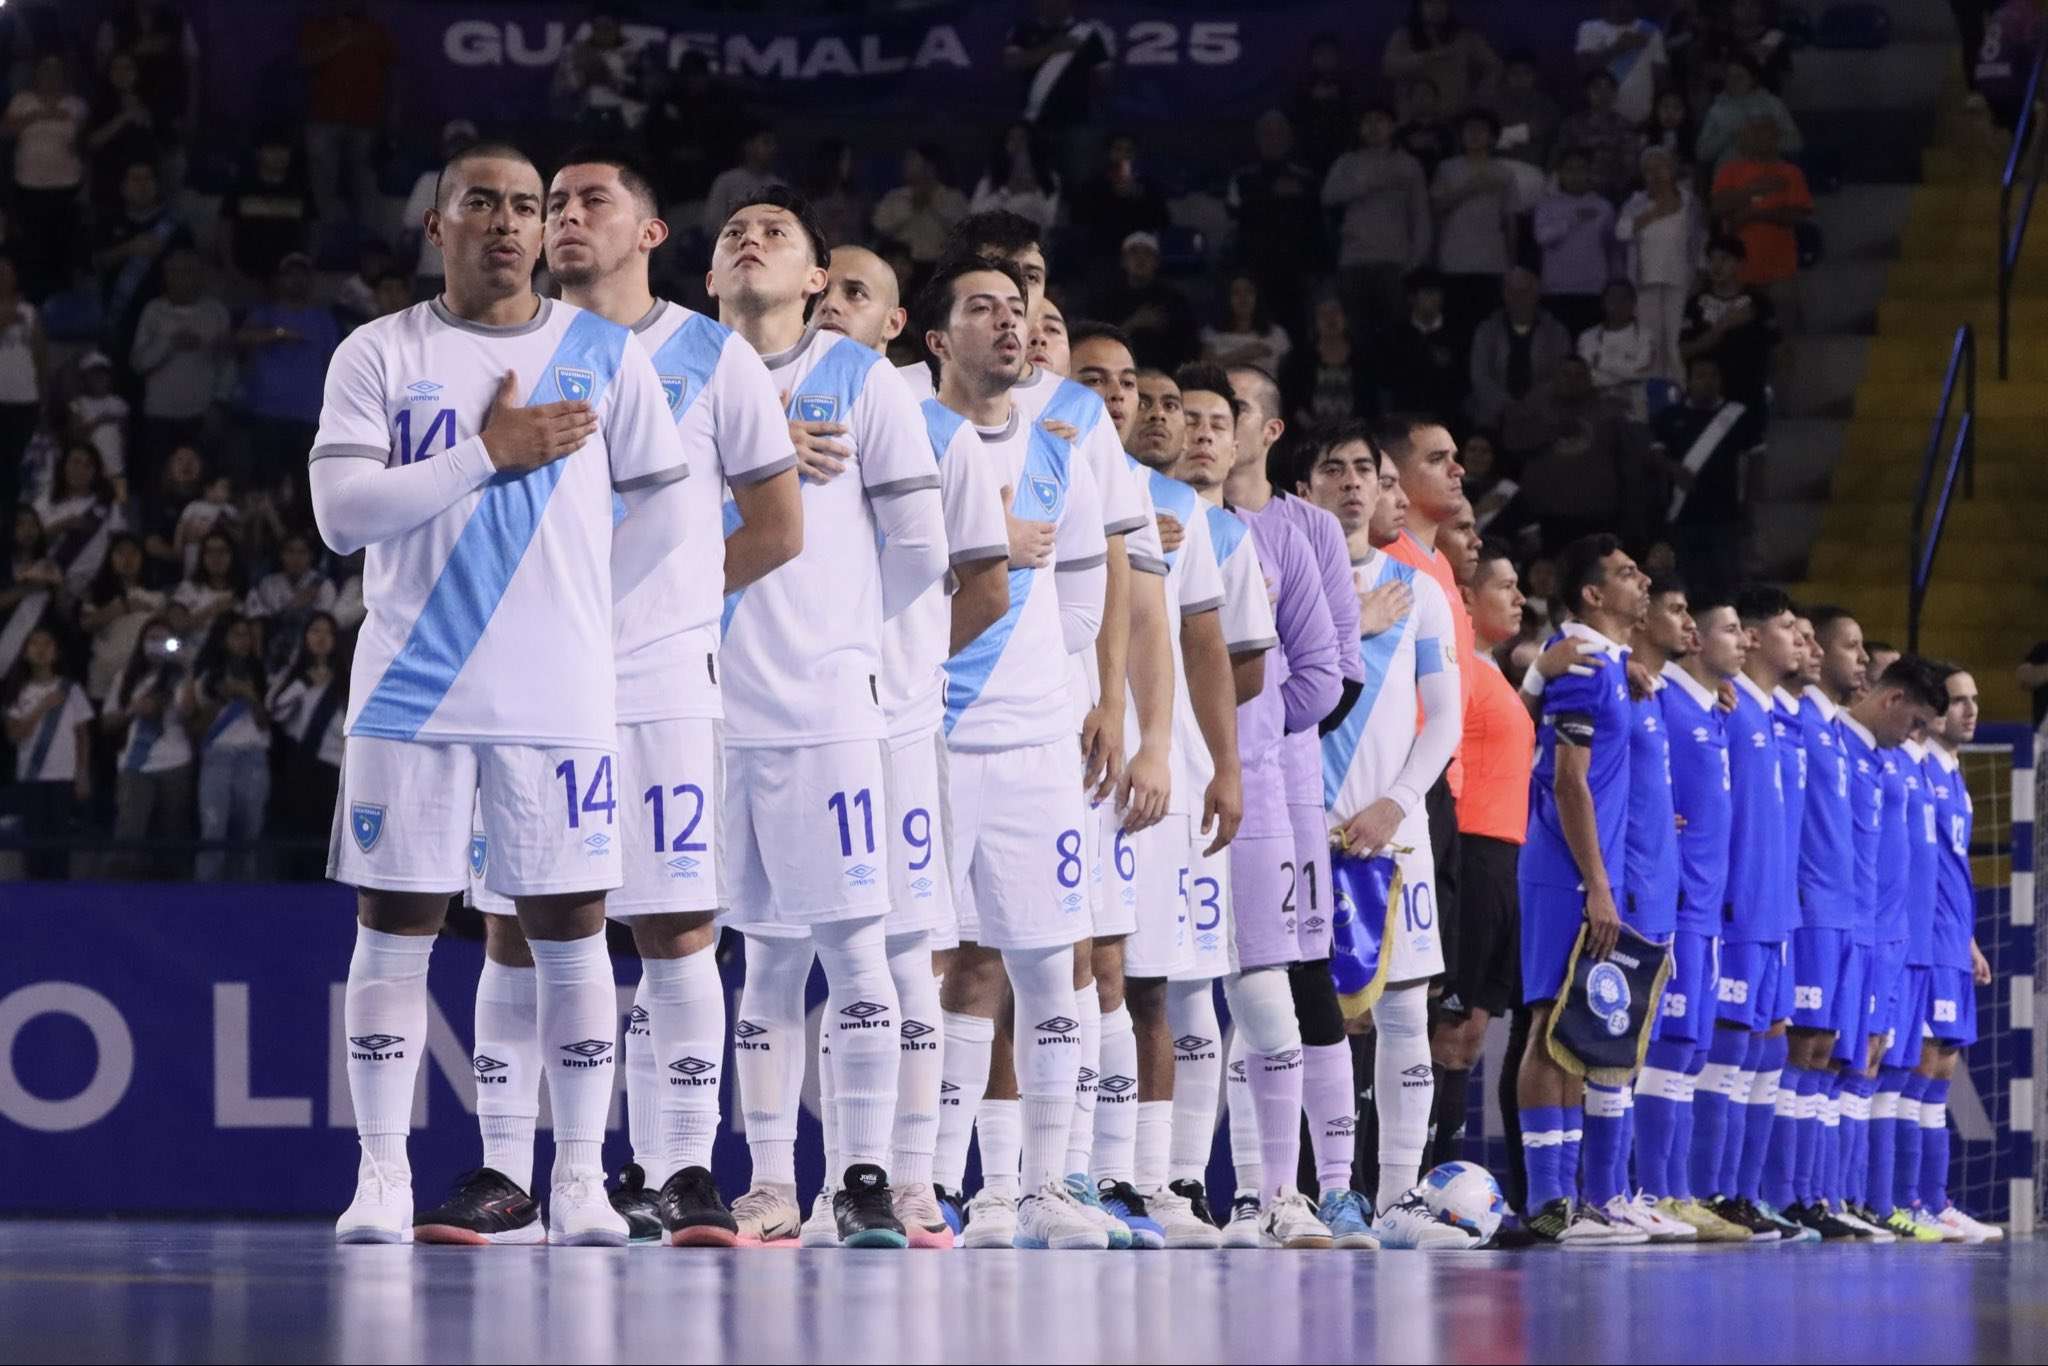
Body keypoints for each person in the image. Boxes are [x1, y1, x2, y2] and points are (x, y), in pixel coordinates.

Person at [310, 140, 691, 1248]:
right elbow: (343, 517)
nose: (512, 222)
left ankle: (575, 1177)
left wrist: (582, 614)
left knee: (572, 931)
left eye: (527, 206)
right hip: (410, 688)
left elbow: (664, 509)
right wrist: (487, 454)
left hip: (555, 691)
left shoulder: (600, 352)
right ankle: (382, 1173)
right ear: (439, 225)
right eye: (483, 202)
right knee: (395, 926)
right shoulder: (379, 353)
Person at [425, 151, 804, 1250]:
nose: (565, 216)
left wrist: (664, 606)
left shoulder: (709, 353)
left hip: (657, 682)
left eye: (593, 200)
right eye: (556, 203)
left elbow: (776, 525)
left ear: (649, 232)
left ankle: (685, 1167)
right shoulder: (506, 349)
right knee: (508, 924)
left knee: (676, 923)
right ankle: (506, 1170)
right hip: (525, 686)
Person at [702, 187, 946, 1249]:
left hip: (827, 712)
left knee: (854, 951)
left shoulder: (860, 379)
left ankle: (862, 1177)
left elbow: (921, 548)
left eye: (776, 234)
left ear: (813, 279)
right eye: (731, 234)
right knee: (760, 959)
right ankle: (766, 1184)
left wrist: (847, 652)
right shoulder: (672, 376)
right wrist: (748, 481)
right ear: (707, 278)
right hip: (705, 714)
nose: (749, 241)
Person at [807, 242, 1008, 1249]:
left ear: (896, 329)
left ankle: (913, 1178)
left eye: (857, 293)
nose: (831, 303)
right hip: (772, 720)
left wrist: (903, 669)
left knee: (906, 956)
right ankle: (773, 1181)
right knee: (760, 955)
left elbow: (982, 583)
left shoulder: (940, 434)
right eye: (826, 286)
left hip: (894, 730)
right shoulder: (746, 404)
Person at [917, 253, 1110, 1250]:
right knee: (913, 964)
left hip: (1032, 746)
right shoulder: (906, 440)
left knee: (1049, 965)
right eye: (980, 308)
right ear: (935, 341)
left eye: (1017, 308)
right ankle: (911, 1182)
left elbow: (1082, 602)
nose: (1008, 323)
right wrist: (982, 551)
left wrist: (1041, 689)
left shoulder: (1057, 449)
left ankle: (1042, 1185)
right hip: (929, 739)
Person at [1305, 419, 1466, 1240]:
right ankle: (1290, 1196)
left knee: (1406, 1016)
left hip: (1392, 836)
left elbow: (1444, 718)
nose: (1352, 482)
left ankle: (1399, 1198)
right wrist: (1348, 625)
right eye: (1332, 469)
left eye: (1365, 469)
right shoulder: (1279, 577)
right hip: (1294, 835)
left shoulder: (1422, 591)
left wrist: (1398, 803)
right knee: (1275, 1015)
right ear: (1305, 488)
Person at [1220, 370, 1366, 1246]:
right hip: (1194, 777)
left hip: (1285, 787)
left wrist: (1256, 734)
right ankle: (1248, 1190)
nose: (1213, 425)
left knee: (1301, 973)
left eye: (1232, 411)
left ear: (1268, 430)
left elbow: (1336, 671)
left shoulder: (1306, 528)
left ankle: (1335, 1188)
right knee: (1205, 977)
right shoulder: (1178, 513)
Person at [1168, 365, 1282, 1244]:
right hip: (1099, 767)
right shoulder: (1118, 499)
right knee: (1099, 978)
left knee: (1193, 979)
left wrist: (1210, 752)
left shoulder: (1234, 540)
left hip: (1194, 782)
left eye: (1214, 419)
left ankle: (1181, 1182)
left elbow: (1243, 664)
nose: (1198, 432)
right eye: (1183, 415)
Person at [1515, 534, 1648, 1245]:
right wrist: (1597, 883)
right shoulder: (1580, 662)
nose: (1644, 579)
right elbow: (1569, 781)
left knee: (1583, 1032)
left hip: (1590, 868)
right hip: (1563, 868)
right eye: (1628, 571)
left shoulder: (1611, 664)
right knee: (1549, 1024)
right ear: (1593, 594)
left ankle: (1579, 1201)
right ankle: (1547, 1201)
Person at [1684, 587, 1802, 1241]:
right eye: (1790, 628)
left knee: (1761, 1052)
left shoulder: (1766, 716)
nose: (1801, 641)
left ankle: (1740, 1194)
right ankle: (1705, 1194)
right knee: (1718, 1049)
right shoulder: (1727, 713)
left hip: (1770, 914)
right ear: (1754, 637)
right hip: (1729, 911)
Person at [1637, 592, 1751, 1241]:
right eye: (1732, 629)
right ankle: (1657, 1191)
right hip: (1675, 905)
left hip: (1707, 912)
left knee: (1689, 1052)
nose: (1747, 640)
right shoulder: (1666, 704)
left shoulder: (1711, 711)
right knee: (1663, 1052)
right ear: (1698, 641)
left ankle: (1678, 1192)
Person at [1593, 579, 1700, 1241]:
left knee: (1632, 1054)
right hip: (1626, 889)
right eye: (1677, 606)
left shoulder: (1651, 691)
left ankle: (1622, 1190)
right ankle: (1601, 1193)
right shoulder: (1615, 680)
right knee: (1606, 1048)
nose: (1683, 618)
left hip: (1658, 893)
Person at [1441, 540, 1534, 1178]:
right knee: (1447, 1032)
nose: (1520, 597)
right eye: (1505, 585)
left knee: (1473, 1032)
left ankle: (1444, 1186)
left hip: (1507, 860)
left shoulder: (1498, 673)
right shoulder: (1462, 670)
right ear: (1467, 600)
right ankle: (1421, 1180)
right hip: (1470, 853)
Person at [1913, 668, 2003, 1240]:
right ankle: (1908, 1200)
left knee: (1940, 1069)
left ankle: (1930, 1199)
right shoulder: (1917, 768)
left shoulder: (1954, 776)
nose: (1969, 711)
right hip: (1921, 940)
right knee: (1917, 1069)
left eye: (1975, 700)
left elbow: (1949, 865)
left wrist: (1967, 939)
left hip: (1951, 938)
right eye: (1957, 701)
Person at [1652, 356, 1760, 639]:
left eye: (1712, 375)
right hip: (1682, 517)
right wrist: (1674, 469)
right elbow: (1654, 457)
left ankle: (1730, 636)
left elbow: (1755, 464)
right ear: (1688, 381)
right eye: (1700, 375)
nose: (1706, 381)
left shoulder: (1738, 416)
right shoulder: (1668, 417)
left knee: (1728, 585)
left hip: (1725, 516)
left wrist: (1749, 507)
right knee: (1685, 584)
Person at [1322, 102, 1433, 336]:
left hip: (1394, 261)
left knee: (1395, 334)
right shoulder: (1347, 162)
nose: (1373, 127)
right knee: (1355, 333)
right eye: (1367, 121)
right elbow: (1328, 197)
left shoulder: (1408, 164)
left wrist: (1417, 257)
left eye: (1380, 120)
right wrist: (1367, 185)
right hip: (1354, 260)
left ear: (1392, 126)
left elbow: (1420, 214)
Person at [233, 253, 341, 485]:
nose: (296, 280)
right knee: (266, 482)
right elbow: (239, 339)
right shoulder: (264, 313)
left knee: (306, 487)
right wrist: (277, 334)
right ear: (279, 280)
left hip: (310, 415)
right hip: (266, 412)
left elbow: (334, 363)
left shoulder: (323, 319)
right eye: (290, 275)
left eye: (302, 275)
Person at [101, 614, 195, 879]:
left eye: (163, 639)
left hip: (175, 762)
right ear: (141, 642)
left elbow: (188, 712)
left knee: (172, 833)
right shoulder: (126, 677)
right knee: (129, 832)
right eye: (151, 638)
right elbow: (107, 721)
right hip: (135, 763)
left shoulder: (179, 677)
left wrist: (186, 670)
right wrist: (133, 709)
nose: (156, 644)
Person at [183, 611, 271, 882]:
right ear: (222, 639)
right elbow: (194, 730)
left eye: (247, 636)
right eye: (237, 635)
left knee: (249, 832)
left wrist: (249, 696)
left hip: (253, 757)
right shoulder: (204, 678)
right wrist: (222, 698)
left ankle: (245, 896)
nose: (244, 641)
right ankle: (207, 898)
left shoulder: (261, 674)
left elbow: (267, 724)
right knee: (213, 830)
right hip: (216, 756)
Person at [296, 0, 396, 231]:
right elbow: (304, 61)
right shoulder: (316, 28)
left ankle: (370, 248)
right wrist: (343, 41)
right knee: (322, 186)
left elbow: (393, 75)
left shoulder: (374, 30)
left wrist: (391, 119)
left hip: (365, 122)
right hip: (323, 120)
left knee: (365, 185)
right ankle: (326, 245)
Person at [4, 624, 94, 879]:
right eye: (35, 644)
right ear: (25, 652)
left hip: (63, 776)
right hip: (31, 777)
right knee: (34, 843)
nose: (41, 650)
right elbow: (14, 735)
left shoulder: (70, 688)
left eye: (47, 644)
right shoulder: (17, 691)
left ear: (56, 653)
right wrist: (42, 707)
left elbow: (82, 734)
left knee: (60, 844)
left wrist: (83, 772)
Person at [130, 247, 231, 468]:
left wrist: (219, 403)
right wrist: (169, 344)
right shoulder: (153, 311)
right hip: (160, 414)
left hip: (201, 413)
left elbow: (228, 364)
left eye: (188, 271)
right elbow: (138, 363)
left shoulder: (216, 312)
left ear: (199, 274)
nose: (181, 277)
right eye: (174, 271)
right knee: (157, 479)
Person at [266, 610, 347, 881]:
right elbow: (275, 711)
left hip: (337, 768)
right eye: (315, 631)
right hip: (303, 768)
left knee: (329, 837)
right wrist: (305, 683)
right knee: (301, 833)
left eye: (327, 632)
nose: (321, 638)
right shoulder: (294, 675)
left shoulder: (346, 677)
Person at [3, 54, 89, 303]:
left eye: (55, 71)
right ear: (36, 74)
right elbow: (6, 131)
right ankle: (33, 303)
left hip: (66, 185)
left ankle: (61, 305)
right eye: (45, 70)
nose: (50, 76)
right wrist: (40, 115)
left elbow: (83, 142)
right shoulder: (22, 100)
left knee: (61, 247)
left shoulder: (76, 105)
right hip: (28, 185)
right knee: (32, 248)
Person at [1709, 116, 1812, 323]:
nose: (1756, 137)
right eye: (1751, 132)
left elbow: (1798, 215)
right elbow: (1717, 208)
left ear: (1775, 137)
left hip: (1780, 271)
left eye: (1763, 132)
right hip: (1737, 276)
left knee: (1783, 331)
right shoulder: (1729, 171)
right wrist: (1753, 191)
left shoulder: (1790, 173)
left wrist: (1754, 214)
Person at [1226, 110, 1323, 329]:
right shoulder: (1242, 179)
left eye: (1279, 133)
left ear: (1289, 138)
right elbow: (1233, 216)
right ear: (1257, 138)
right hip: (1255, 270)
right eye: (1267, 133)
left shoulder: (1306, 180)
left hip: (1297, 274)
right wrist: (1267, 196)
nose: (1273, 139)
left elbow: (1316, 227)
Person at [1616, 147, 1701, 380]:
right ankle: (1653, 398)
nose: (1654, 174)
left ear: (1672, 170)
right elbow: (1621, 233)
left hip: (1680, 281)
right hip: (1645, 282)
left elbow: (1697, 241)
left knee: (1674, 343)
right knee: (1650, 344)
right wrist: (1653, 214)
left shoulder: (1689, 201)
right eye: (1648, 170)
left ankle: (1679, 393)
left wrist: (1698, 276)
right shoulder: (1636, 202)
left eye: (1659, 168)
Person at [1431, 109, 1517, 337]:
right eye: (1469, 130)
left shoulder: (1504, 172)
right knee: (1456, 326)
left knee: (1490, 326)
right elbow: (1436, 208)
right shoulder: (1446, 168)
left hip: (1491, 261)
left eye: (1481, 130)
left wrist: (1511, 262)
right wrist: (1470, 189)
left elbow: (1510, 220)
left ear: (1492, 137)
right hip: (1454, 260)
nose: (1474, 135)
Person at [1680, 235, 1779, 413]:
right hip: (1705, 400)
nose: (1716, 266)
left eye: (1724, 259)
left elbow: (1776, 348)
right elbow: (1684, 351)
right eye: (1712, 259)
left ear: (1740, 264)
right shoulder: (1694, 304)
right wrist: (1722, 326)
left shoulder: (1758, 303)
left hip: (1748, 397)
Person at [1467, 268, 1571, 430]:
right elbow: (1480, 375)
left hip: (1543, 415)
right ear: (1504, 294)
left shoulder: (1556, 331)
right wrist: (1506, 406)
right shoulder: (1487, 330)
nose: (1518, 298)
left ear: (1537, 294)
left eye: (1525, 291)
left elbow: (1561, 375)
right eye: (1512, 292)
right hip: (1494, 417)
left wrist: (1531, 405)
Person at [1535, 149, 1616, 340]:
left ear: (1590, 173)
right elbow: (1542, 238)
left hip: (1594, 290)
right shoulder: (1546, 205)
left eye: (1581, 169)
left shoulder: (1603, 206)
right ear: (1560, 173)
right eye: (1569, 169)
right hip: (1556, 290)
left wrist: (1613, 284)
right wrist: (1573, 218)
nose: (1575, 175)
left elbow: (1612, 248)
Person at [1383, 0, 1501, 126]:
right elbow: (1388, 67)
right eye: (1430, 3)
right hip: (1413, 120)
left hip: (1456, 118)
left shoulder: (1463, 38)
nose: (1436, 8)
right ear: (1419, 6)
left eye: (1442, 3)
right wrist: (1424, 58)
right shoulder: (1403, 37)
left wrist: (1479, 99)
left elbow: (1494, 66)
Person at [218, 133, 313, 289]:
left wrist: (307, 264)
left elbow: (312, 228)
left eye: (284, 150)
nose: (279, 155)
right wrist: (231, 268)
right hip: (245, 273)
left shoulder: (300, 189)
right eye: (272, 150)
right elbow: (225, 228)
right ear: (258, 153)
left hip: (287, 277)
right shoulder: (241, 187)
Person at [399, 121, 479, 300]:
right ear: (444, 149)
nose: (459, 150)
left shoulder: (487, 182)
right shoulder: (428, 180)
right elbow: (410, 229)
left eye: (464, 144)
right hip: (432, 273)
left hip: (473, 276)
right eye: (454, 144)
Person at [1100, 232, 1197, 373]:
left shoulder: (1174, 300)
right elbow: (1100, 345)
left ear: (1157, 261)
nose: (1141, 258)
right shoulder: (1107, 299)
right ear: (1123, 261)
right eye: (1133, 253)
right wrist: (1133, 324)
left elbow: (1188, 346)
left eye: (1147, 253)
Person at [0, 254, 48, 527]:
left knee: (17, 475)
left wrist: (43, 402)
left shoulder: (29, 312)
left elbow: (41, 361)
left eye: (6, 271)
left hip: (24, 406)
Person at [84, 49, 161, 218]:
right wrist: (124, 118)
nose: (122, 73)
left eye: (127, 68)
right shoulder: (99, 104)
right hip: (109, 182)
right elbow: (91, 143)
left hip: (144, 185)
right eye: (116, 68)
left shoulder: (150, 101)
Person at [1282, 294, 1375, 432]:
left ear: (1346, 318)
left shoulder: (1362, 357)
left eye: (1335, 312)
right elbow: (1291, 401)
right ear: (1314, 321)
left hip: (1356, 434)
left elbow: (1371, 403)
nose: (1330, 319)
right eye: (1323, 314)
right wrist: (1313, 428)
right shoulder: (1298, 358)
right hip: (1308, 436)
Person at [1696, 56, 1801, 172]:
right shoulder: (1717, 109)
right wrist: (1728, 132)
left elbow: (1796, 143)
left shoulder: (1773, 104)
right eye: (1729, 77)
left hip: (1769, 174)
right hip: (1730, 177)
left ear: (1754, 78)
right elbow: (1702, 153)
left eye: (1739, 77)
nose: (1732, 82)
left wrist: (1763, 139)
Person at [1576, 0, 1670, 126]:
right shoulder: (1589, 28)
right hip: (1600, 122)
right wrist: (1618, 48)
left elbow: (1660, 78)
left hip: (1642, 120)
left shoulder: (1650, 31)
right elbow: (1585, 69)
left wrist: (1656, 115)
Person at [1559, 70, 1644, 203]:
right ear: (1586, 92)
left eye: (1608, 88)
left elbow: (1630, 166)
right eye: (1596, 87)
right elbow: (1563, 158)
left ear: (1615, 93)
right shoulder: (1571, 124)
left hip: (1613, 193)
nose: (1603, 93)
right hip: (1576, 188)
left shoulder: (1625, 126)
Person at [1578, 280, 1658, 420]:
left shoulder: (1646, 336)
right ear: (1603, 303)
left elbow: (1641, 372)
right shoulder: (1587, 337)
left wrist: (1602, 362)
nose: (1618, 303)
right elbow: (1587, 376)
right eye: (1613, 298)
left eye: (1624, 298)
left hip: (1634, 410)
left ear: (1633, 303)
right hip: (1597, 407)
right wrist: (1624, 373)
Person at [970, 124, 1062, 233]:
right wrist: (1007, 191)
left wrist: (1034, 190)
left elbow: (1050, 221)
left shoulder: (1050, 179)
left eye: (1022, 139)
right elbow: (974, 214)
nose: (1017, 145)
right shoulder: (991, 180)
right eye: (1012, 139)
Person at [702, 127, 786, 240]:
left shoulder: (779, 186)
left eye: (773, 144)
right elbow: (711, 223)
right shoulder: (727, 180)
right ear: (749, 146)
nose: (772, 149)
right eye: (765, 142)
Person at [1201, 274, 1292, 377]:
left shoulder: (1276, 333)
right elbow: (1206, 369)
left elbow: (1288, 375)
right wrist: (1245, 353)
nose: (1243, 298)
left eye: (1249, 291)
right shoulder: (1211, 333)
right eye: (1236, 293)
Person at [1493, 49, 1563, 172]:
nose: (1520, 79)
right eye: (1514, 73)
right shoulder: (1493, 104)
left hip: (1533, 169)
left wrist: (1503, 136)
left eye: (1526, 73)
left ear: (1535, 76)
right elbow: (1487, 139)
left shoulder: (1546, 105)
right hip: (1497, 169)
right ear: (1506, 76)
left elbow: (1537, 131)